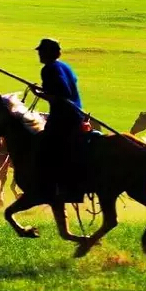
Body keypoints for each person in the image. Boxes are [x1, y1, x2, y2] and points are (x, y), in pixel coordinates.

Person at [30, 38, 85, 202]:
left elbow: (62, 94)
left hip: (63, 117)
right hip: (76, 114)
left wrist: (40, 94)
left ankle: (54, 188)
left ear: (49, 53)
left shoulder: (49, 69)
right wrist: (43, 91)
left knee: (45, 149)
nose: (39, 54)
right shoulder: (64, 66)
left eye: (41, 51)